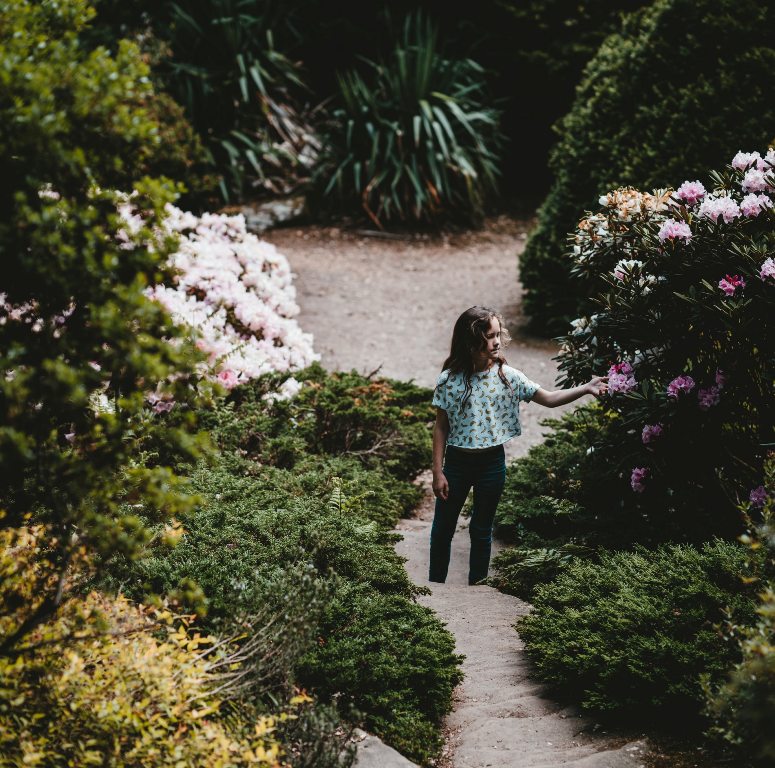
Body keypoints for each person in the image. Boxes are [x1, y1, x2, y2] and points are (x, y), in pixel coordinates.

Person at [429, 306, 607, 585]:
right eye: (489, 336)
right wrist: (437, 472)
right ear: (471, 341)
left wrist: (586, 387)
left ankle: (477, 587)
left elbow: (548, 398)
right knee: (443, 528)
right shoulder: (450, 380)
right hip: (457, 465)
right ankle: (435, 586)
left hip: (491, 465)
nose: (496, 341)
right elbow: (441, 426)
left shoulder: (508, 376)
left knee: (481, 529)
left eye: (498, 334)